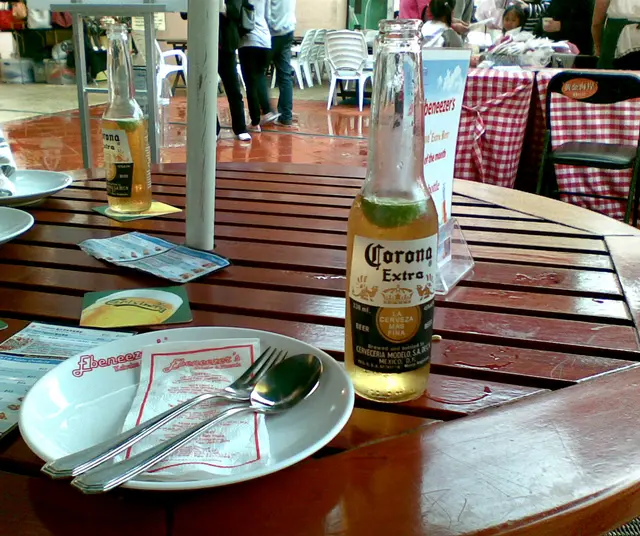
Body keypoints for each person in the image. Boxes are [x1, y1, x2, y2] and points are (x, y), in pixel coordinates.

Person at [183, 2, 251, 142]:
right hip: (203, 43)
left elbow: (235, 12)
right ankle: (213, 129)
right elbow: (184, 13)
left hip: (226, 45)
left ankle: (240, 128)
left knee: (233, 89)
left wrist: (219, 6)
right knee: (206, 89)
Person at [239, 0, 279, 132]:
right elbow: (268, 15)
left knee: (250, 83)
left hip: (249, 40)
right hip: (266, 40)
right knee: (260, 76)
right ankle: (266, 110)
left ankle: (255, 121)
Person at [268, 0, 296, 126]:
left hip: (272, 33)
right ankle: (286, 116)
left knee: (258, 73)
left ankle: (265, 111)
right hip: (288, 31)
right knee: (285, 75)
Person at [592, 0, 640, 69]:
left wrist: (598, 47)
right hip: (621, 34)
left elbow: (597, 23)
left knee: (610, 72)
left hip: (615, 37)